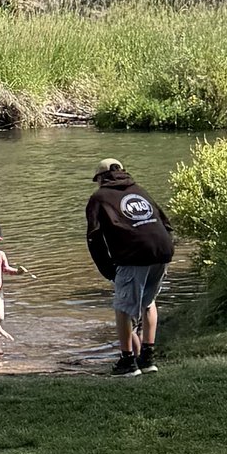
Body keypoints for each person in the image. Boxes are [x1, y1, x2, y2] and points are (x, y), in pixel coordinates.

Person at [85, 156, 175, 375]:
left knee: (123, 308)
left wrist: (107, 269)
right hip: (162, 250)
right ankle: (147, 358)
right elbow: (166, 223)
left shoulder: (99, 197)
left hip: (135, 255)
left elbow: (94, 238)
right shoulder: (140, 191)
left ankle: (127, 362)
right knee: (148, 302)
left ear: (101, 178)